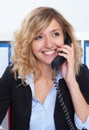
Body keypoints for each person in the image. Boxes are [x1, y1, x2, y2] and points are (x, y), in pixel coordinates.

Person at [0, 6, 89, 130]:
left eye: (55, 34)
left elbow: (86, 125)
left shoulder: (80, 72)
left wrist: (71, 82)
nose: (49, 44)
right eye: (39, 37)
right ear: (29, 42)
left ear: (66, 39)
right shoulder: (14, 74)